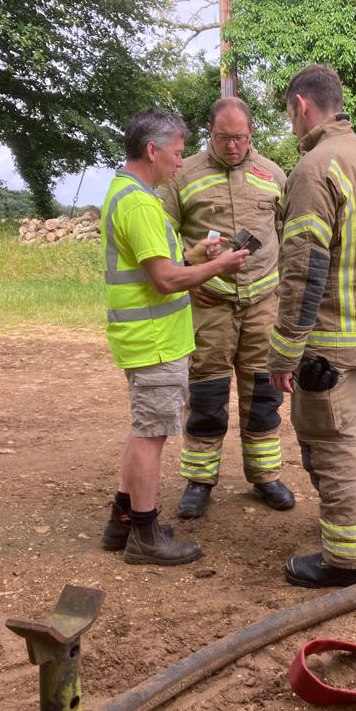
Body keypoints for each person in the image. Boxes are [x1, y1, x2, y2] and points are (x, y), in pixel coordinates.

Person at [268, 64, 356, 588]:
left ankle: (348, 561)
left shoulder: (314, 168)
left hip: (329, 345)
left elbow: (304, 272)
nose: (290, 124)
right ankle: (353, 533)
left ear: (301, 106)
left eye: (288, 114)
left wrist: (283, 353)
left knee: (334, 444)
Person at [99, 108, 249, 565]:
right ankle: (144, 534)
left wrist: (194, 252)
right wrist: (217, 266)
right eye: (178, 154)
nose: (181, 163)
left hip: (143, 336)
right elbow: (164, 279)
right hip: (155, 340)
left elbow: (157, 262)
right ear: (152, 150)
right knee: (153, 434)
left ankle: (121, 520)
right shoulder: (143, 203)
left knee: (144, 428)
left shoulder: (123, 191)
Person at [160, 97, 295, 521]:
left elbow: (290, 235)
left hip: (262, 305)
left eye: (239, 137)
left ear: (251, 133)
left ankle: (265, 476)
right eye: (223, 137)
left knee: (264, 397)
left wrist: (284, 289)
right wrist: (187, 271)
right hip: (209, 304)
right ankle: (200, 481)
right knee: (206, 395)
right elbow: (161, 235)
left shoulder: (275, 174)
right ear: (210, 133)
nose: (232, 146)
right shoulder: (184, 175)